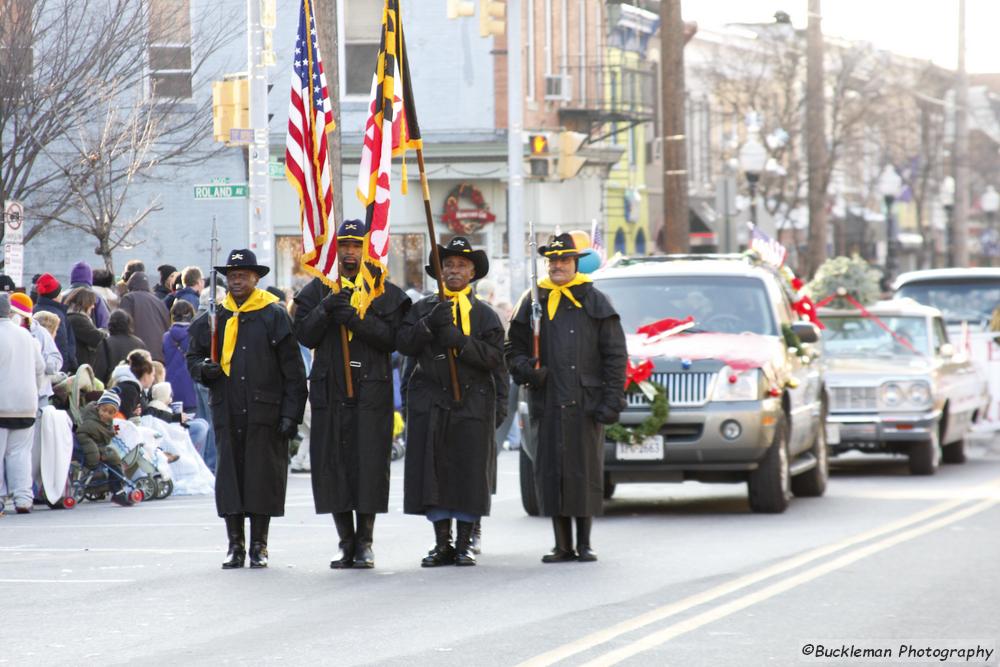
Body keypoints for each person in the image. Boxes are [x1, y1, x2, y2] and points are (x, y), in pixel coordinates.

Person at [292, 220, 410, 569]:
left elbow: (394, 340)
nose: (349, 252)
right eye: (343, 246)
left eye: (356, 246)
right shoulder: (318, 290)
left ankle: (365, 541)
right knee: (334, 466)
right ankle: (345, 541)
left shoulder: (384, 292)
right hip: (331, 390)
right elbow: (305, 335)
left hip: (371, 392)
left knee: (369, 465)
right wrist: (327, 309)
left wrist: (356, 320)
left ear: (366, 249)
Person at [506, 232, 627, 563]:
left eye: (564, 260)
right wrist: (528, 370)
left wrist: (612, 400)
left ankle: (585, 542)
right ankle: (562, 544)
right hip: (546, 402)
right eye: (553, 261)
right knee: (551, 472)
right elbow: (512, 348)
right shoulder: (534, 300)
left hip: (585, 403)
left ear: (575, 263)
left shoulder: (595, 300)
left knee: (583, 471)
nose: (557, 266)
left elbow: (615, 355)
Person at [187, 249, 307, 570]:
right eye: (233, 275)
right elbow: (193, 357)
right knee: (230, 479)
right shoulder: (214, 317)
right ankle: (234, 545)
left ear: (256, 278)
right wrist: (204, 370)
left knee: (261, 478)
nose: (237, 280)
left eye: (244, 275)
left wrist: (290, 415)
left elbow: (293, 371)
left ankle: (259, 545)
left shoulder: (273, 314)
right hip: (227, 409)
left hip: (265, 412)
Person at [396, 237, 507, 567]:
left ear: (473, 272)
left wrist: (458, 340)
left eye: (461, 265)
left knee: (469, 474)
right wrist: (429, 325)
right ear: (439, 272)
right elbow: (403, 344)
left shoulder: (485, 316)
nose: (454, 271)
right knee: (434, 475)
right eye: (448, 266)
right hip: (432, 401)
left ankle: (464, 543)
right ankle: (441, 542)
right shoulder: (421, 309)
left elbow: (493, 358)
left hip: (473, 403)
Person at [0, 294, 46, 514]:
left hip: (2, 402)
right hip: (26, 402)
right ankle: (23, 498)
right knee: (20, 452)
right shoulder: (27, 336)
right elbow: (41, 367)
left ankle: (0, 497)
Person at [76, 390, 137, 506]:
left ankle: (117, 490)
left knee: (115, 459)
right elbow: (83, 434)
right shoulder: (90, 419)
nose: (106, 414)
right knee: (100, 456)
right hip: (89, 445)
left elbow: (105, 438)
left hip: (99, 446)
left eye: (110, 413)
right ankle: (109, 485)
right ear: (98, 407)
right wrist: (96, 455)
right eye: (104, 411)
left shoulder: (108, 424)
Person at [10, 293, 63, 408]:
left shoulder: (40, 333)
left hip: (38, 396)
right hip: (9, 395)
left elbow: (55, 363)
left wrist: (38, 356)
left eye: (12, 313)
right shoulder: (5, 331)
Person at [118, 272, 170, 362]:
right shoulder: (159, 302)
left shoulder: (128, 298)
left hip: (138, 355)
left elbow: (123, 326)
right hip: (159, 356)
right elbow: (167, 326)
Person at [33, 272, 77, 373]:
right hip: (54, 369)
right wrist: (64, 372)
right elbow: (62, 345)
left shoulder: (33, 309)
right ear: (55, 295)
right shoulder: (57, 316)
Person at [93, 310, 148, 384]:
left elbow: (99, 372)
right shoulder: (139, 344)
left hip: (112, 388)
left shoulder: (105, 343)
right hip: (136, 388)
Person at [64, 287, 108, 371]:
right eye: (92, 303)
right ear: (85, 303)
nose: (93, 306)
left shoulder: (72, 317)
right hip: (80, 366)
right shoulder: (77, 319)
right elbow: (97, 338)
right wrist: (104, 332)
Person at [70, 261, 111, 329]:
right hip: (92, 337)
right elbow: (105, 323)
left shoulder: (62, 296)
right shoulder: (97, 297)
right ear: (89, 278)